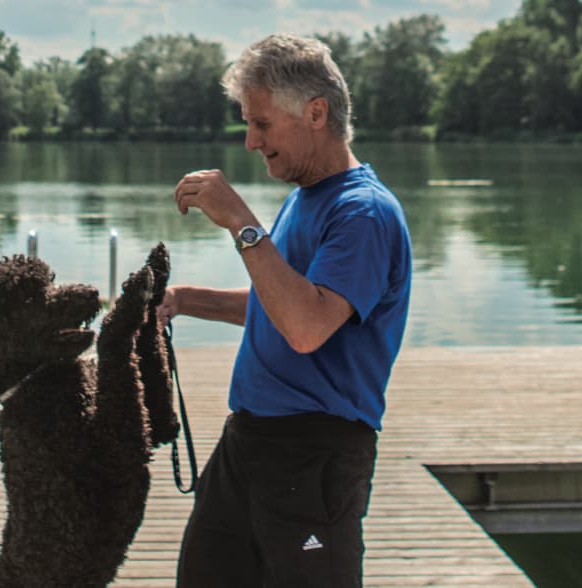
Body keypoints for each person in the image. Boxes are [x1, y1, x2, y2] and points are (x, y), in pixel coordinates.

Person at [162, 33, 412, 587]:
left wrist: (241, 223)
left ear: (316, 112)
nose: (250, 141)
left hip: (315, 453)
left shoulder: (364, 214)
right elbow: (279, 304)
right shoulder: (307, 196)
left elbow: (305, 327)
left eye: (262, 124)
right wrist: (183, 301)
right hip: (248, 442)